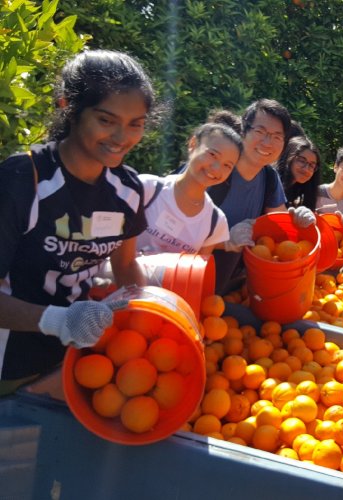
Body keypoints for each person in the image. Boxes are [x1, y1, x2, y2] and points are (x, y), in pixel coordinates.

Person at [0, 50, 156, 393]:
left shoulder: (127, 190)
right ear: (68, 107)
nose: (121, 137)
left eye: (136, 124)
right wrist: (58, 320)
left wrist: (143, 318)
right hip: (10, 359)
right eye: (106, 120)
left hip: (79, 356)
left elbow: (126, 264)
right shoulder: (24, 179)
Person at [206, 100, 315, 294]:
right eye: (260, 132)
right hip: (184, 281)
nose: (267, 142)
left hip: (227, 289)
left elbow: (280, 231)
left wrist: (298, 219)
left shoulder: (269, 178)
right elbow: (170, 228)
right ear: (243, 131)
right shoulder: (213, 167)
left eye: (276, 136)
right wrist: (226, 240)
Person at [137, 122, 242, 255]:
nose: (216, 168)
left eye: (227, 165)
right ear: (193, 144)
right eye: (212, 155)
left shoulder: (215, 221)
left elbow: (196, 272)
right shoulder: (147, 189)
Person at [275, 135, 321, 212]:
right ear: (289, 158)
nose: (306, 169)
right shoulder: (272, 182)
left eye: (312, 165)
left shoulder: (301, 191)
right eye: (302, 161)